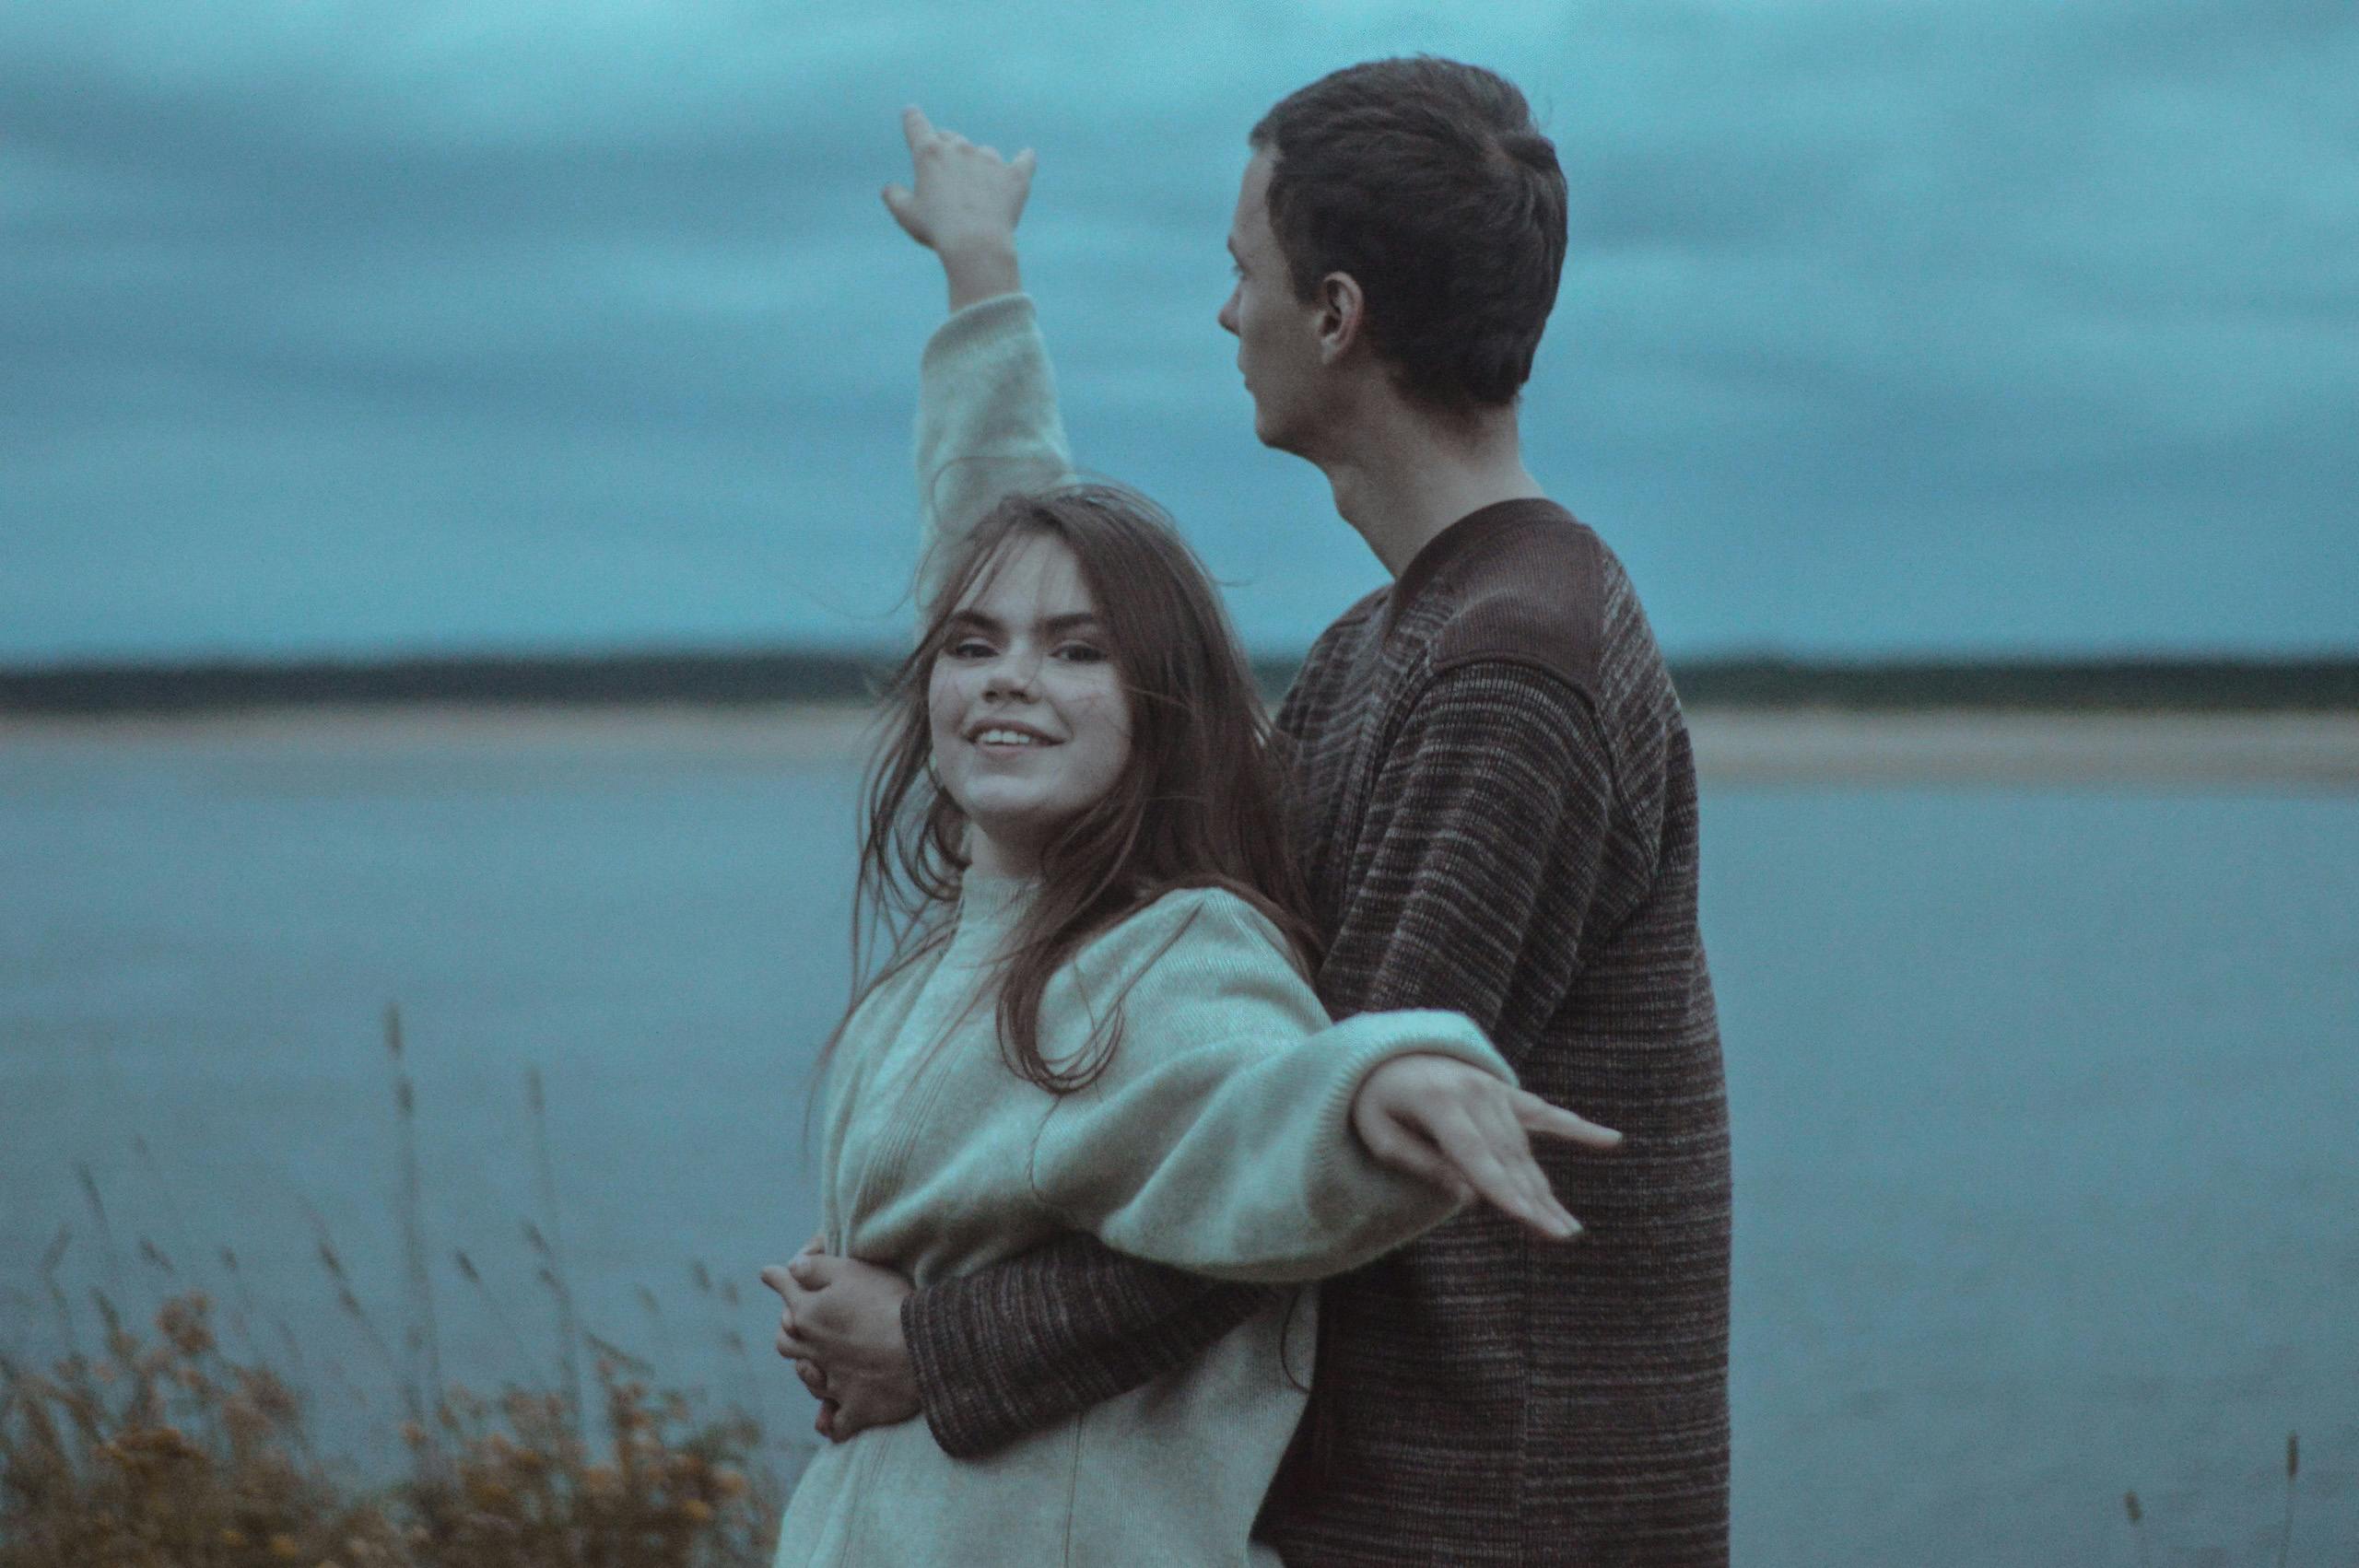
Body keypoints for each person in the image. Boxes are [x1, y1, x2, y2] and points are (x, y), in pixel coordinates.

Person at [782, 57, 1732, 1564]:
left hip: (1491, 1521)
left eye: (1243, 273)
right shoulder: (1393, 643)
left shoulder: (1509, 670)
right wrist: (982, 290)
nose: (1229, 316)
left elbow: (1305, 1154)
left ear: (1338, 314)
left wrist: (939, 1344)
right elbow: (1056, 669)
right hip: (1378, 1507)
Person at [757, 479, 1621, 1564]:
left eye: (1078, 652)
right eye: (973, 646)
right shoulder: (955, 946)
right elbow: (994, 476)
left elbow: (1249, 1115)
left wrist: (1373, 1085)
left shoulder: (1177, 950)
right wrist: (983, 308)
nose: (1011, 678)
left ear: (1159, 707)